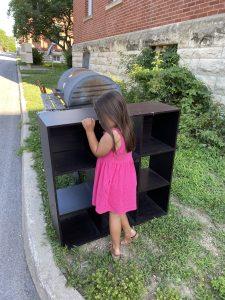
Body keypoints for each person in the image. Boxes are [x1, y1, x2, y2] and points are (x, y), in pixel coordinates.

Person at [82, 91, 138, 259]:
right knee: (119, 208)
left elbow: (98, 152)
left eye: (101, 115)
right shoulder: (127, 127)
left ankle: (116, 249)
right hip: (126, 177)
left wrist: (89, 130)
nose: (99, 119)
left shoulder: (110, 135)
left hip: (114, 180)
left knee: (114, 213)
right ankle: (130, 232)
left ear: (111, 114)